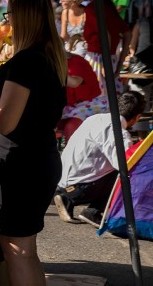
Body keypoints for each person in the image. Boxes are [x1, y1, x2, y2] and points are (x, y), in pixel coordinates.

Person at [0, 0, 67, 286]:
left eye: (9, 13)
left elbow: (5, 122)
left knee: (18, 252)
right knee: (28, 253)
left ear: (20, 16)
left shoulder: (25, 62)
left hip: (20, 165)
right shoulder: (52, 57)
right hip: (40, 158)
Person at [54, 91, 145, 228]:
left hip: (62, 180)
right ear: (137, 117)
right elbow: (125, 165)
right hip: (79, 188)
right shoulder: (119, 132)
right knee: (126, 172)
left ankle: (72, 200)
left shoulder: (94, 118)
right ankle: (92, 210)